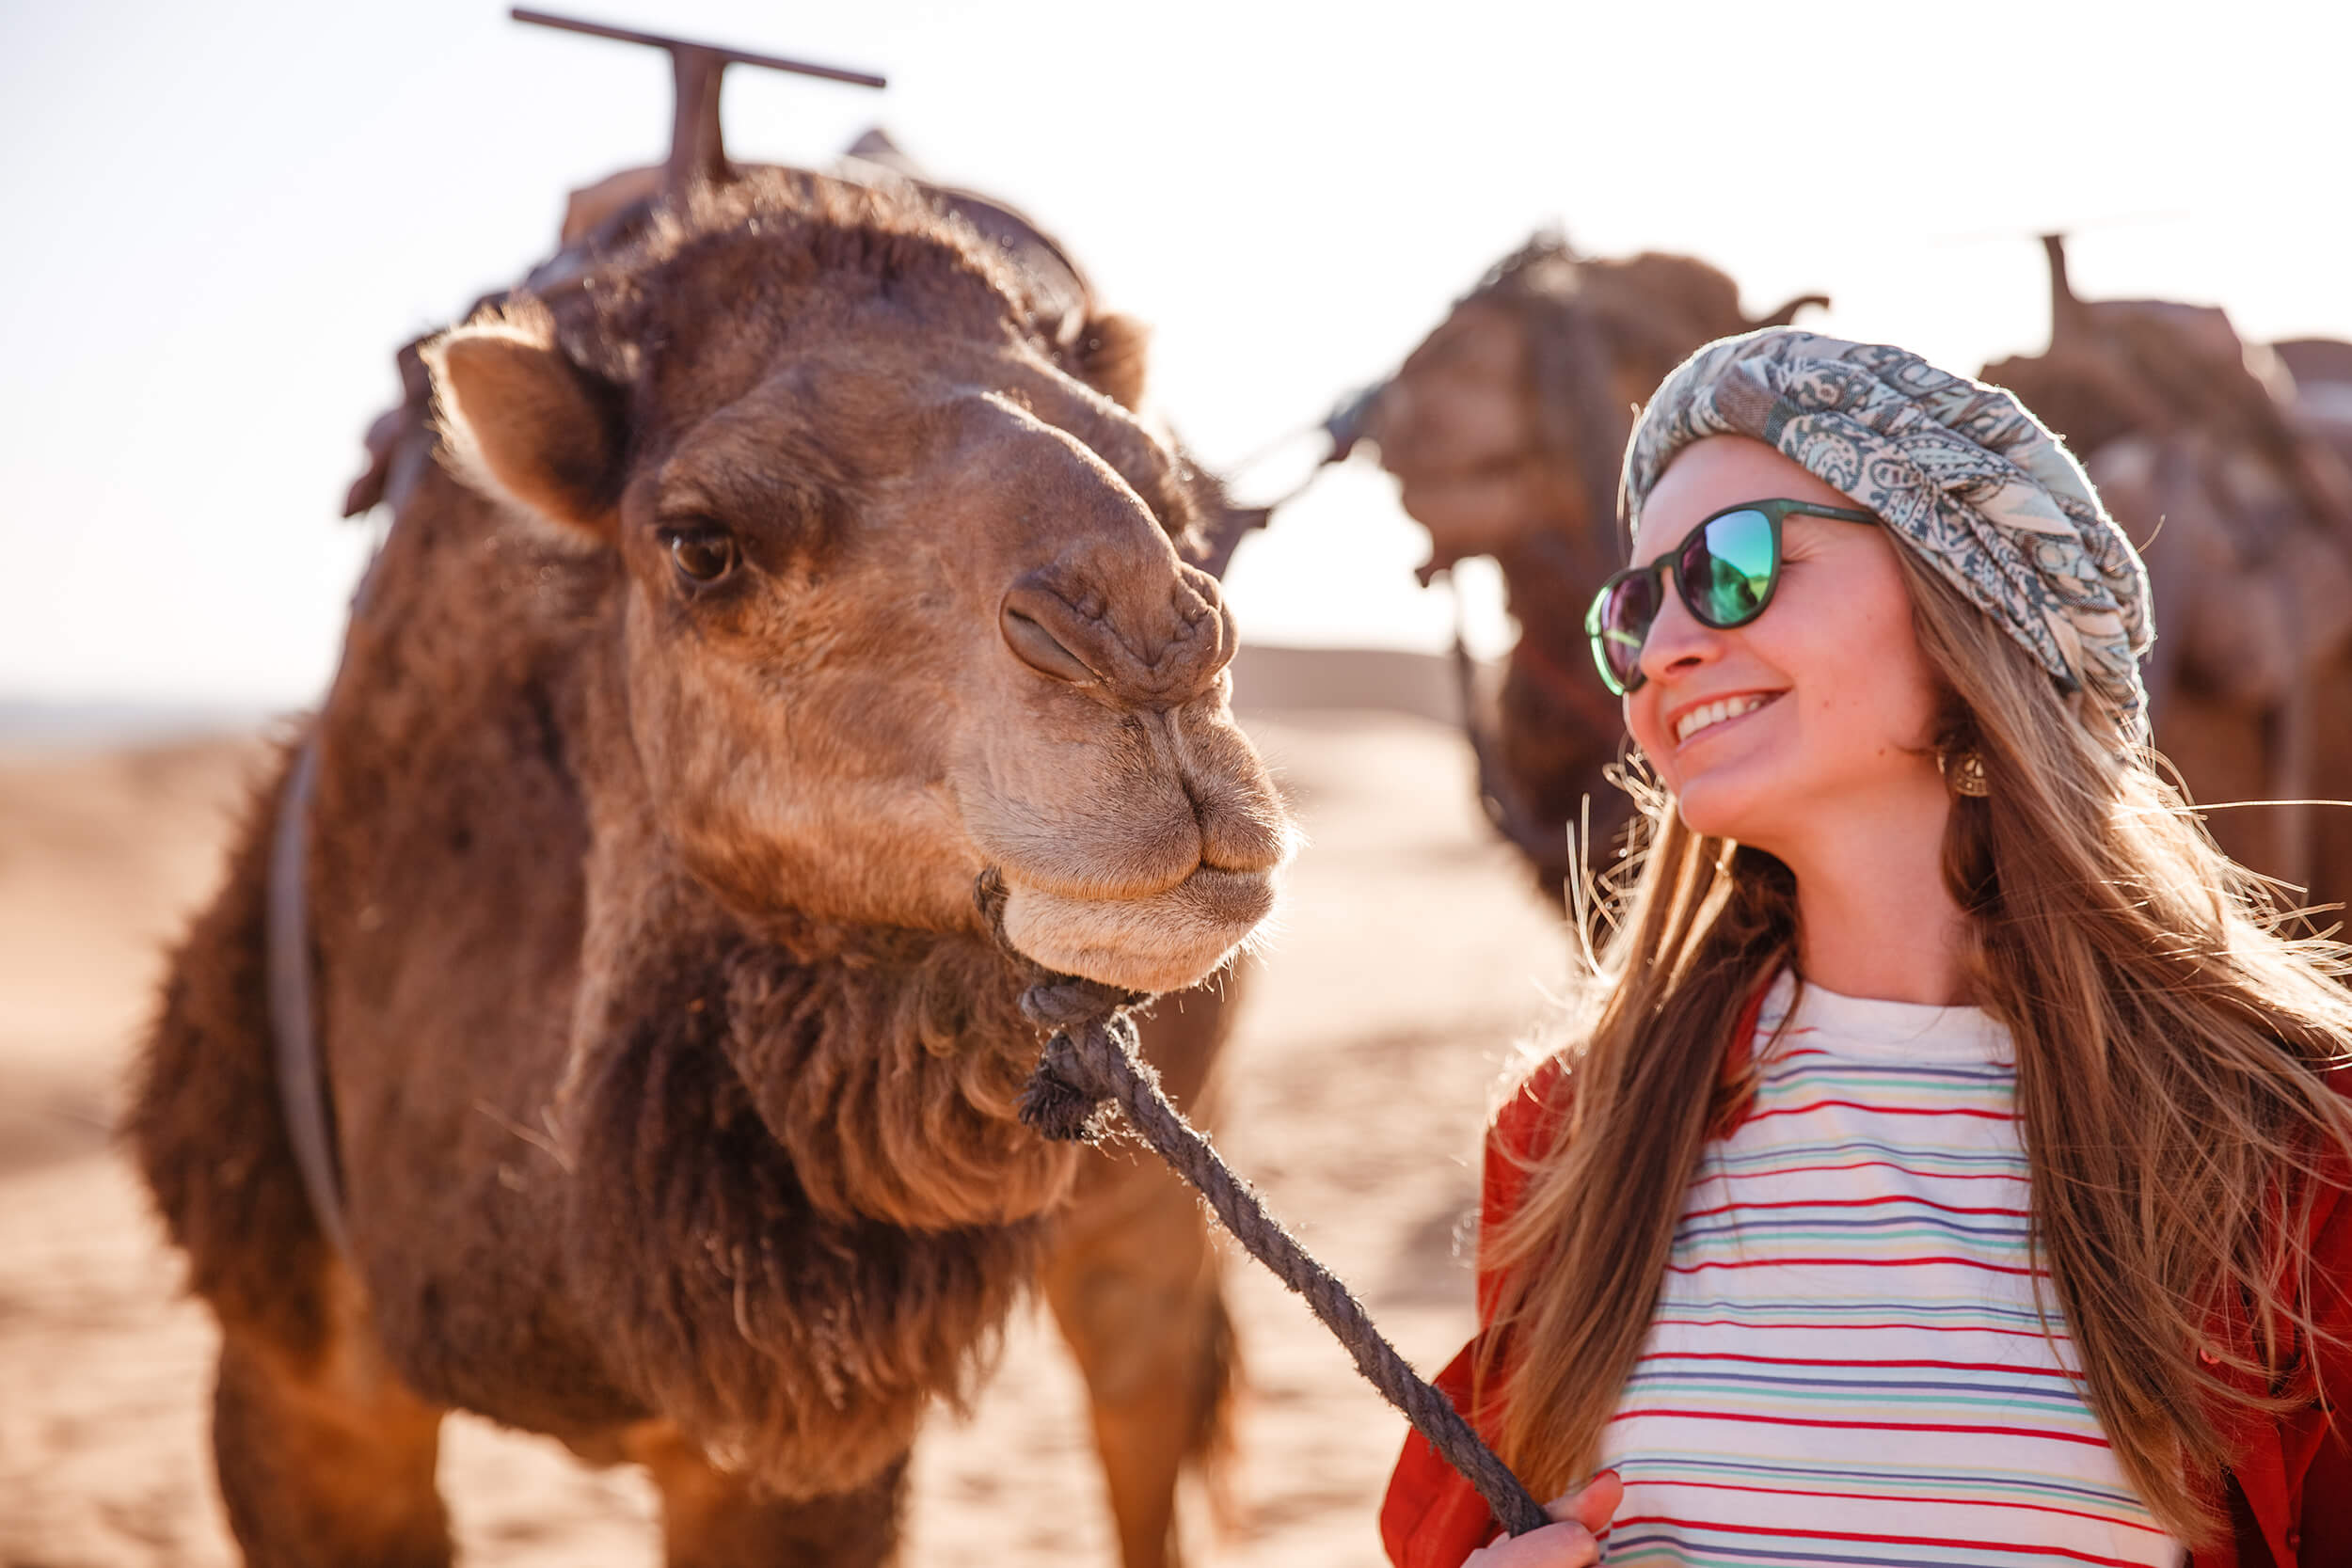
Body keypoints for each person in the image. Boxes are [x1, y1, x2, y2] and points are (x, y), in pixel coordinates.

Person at [1380, 330, 2352, 1568]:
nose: (1664, 648)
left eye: (1732, 567)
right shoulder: (1573, 1139)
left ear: (1964, 600)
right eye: (1632, 609)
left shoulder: (2282, 1155)